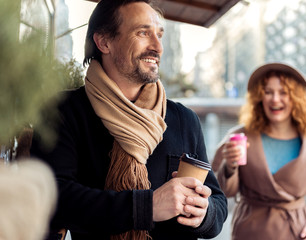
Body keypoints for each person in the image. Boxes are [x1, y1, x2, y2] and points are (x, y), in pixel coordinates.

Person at [30, 0, 227, 240]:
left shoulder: (184, 119)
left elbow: (217, 202)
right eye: (143, 32)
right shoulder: (62, 111)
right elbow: (51, 196)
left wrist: (205, 213)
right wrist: (147, 207)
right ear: (104, 42)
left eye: (159, 35)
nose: (157, 46)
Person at [212, 63, 306, 240]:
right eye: (268, 92)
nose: (275, 99)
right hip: (249, 231)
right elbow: (220, 191)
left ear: (296, 98)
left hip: (296, 232)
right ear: (259, 97)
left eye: (284, 92)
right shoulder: (238, 137)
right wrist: (230, 166)